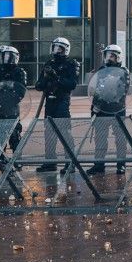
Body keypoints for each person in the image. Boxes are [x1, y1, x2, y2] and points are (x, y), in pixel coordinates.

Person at [34, 37, 80, 172]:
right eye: (55, 47)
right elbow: (38, 85)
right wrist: (45, 80)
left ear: (65, 50)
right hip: (49, 101)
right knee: (48, 133)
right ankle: (50, 162)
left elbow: (72, 84)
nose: (56, 51)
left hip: (62, 101)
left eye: (59, 48)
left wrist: (56, 78)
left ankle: (70, 162)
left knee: (64, 132)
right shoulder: (49, 63)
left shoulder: (71, 64)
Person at [89, 44, 131, 175]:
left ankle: (121, 164)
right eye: (107, 55)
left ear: (118, 57)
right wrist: (94, 106)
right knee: (100, 138)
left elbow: (122, 90)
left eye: (112, 56)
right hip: (101, 109)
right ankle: (99, 164)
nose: (109, 58)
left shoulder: (124, 72)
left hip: (117, 108)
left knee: (120, 138)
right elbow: (97, 89)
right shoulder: (102, 70)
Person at [0, 45, 27, 153]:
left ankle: (17, 160)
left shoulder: (19, 72)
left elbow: (21, 91)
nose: (6, 59)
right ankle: (0, 159)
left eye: (9, 56)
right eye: (4, 56)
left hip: (11, 108)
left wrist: (7, 96)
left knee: (14, 134)